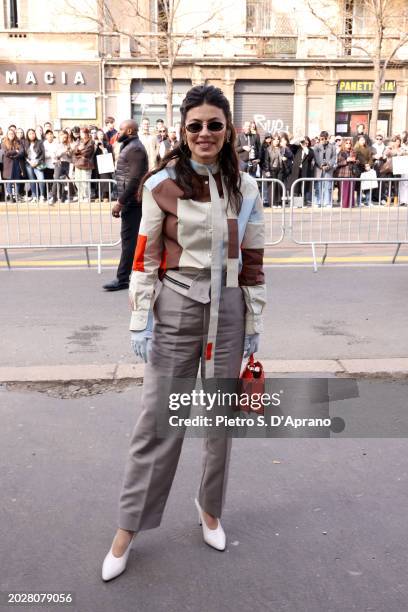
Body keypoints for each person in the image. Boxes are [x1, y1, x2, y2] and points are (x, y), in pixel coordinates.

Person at [101, 84, 266, 582]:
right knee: (158, 423)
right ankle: (128, 528)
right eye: (195, 125)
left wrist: (253, 319)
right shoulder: (161, 184)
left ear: (228, 129)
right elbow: (145, 254)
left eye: (214, 124)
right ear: (182, 130)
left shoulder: (247, 188)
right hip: (175, 307)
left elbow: (253, 259)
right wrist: (141, 316)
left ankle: (209, 508)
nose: (204, 134)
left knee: (219, 422)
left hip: (230, 310)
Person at [102, 119, 148, 291]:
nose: (117, 133)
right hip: (131, 200)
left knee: (129, 241)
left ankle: (122, 279)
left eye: (120, 130)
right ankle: (129, 276)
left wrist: (120, 202)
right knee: (132, 240)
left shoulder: (135, 148)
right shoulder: (129, 146)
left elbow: (135, 179)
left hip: (132, 202)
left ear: (129, 131)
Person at [287, 136, 315, 205]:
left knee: (304, 186)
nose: (305, 142)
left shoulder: (310, 150)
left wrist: (305, 147)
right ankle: (296, 203)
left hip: (305, 171)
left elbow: (310, 156)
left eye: (307, 141)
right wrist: (298, 139)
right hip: (296, 170)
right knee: (296, 186)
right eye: (304, 141)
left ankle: (304, 202)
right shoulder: (297, 149)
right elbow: (290, 145)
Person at [313, 130, 337, 207]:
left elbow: (333, 157)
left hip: (329, 169)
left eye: (325, 138)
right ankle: (318, 202)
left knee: (328, 186)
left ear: (328, 138)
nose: (323, 140)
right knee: (318, 186)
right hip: (318, 169)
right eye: (321, 139)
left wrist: (329, 165)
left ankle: (327, 202)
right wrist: (321, 165)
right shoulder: (316, 146)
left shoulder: (332, 147)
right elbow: (316, 157)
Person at [1, 128, 25, 202]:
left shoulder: (18, 142)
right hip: (8, 165)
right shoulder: (4, 143)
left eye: (12, 133)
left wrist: (14, 155)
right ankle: (11, 197)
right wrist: (15, 151)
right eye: (9, 134)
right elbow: (6, 153)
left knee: (17, 181)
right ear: (7, 135)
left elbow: (21, 152)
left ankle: (17, 195)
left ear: (14, 135)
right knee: (9, 181)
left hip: (17, 164)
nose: (11, 135)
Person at [72, 127, 95, 203]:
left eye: (83, 133)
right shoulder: (79, 141)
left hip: (86, 164)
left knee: (85, 181)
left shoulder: (91, 142)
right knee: (77, 181)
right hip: (78, 164)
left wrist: (78, 152)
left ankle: (86, 196)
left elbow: (86, 153)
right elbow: (74, 151)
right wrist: (78, 149)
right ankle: (80, 196)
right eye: (81, 133)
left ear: (86, 133)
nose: (81, 134)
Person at [51, 130, 73, 204]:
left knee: (67, 181)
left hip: (67, 163)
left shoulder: (68, 144)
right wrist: (64, 151)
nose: (64, 138)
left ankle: (64, 197)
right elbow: (54, 155)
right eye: (63, 136)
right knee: (56, 180)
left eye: (66, 137)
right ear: (59, 136)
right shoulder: (56, 144)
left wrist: (69, 152)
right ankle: (53, 197)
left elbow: (70, 156)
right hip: (59, 163)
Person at [24, 128, 46, 202]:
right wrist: (30, 162)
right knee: (32, 180)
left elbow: (43, 154)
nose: (32, 135)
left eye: (33, 133)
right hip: (29, 164)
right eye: (30, 133)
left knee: (41, 179)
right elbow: (24, 155)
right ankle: (34, 196)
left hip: (38, 163)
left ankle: (42, 195)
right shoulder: (25, 143)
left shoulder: (39, 142)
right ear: (27, 135)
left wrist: (37, 162)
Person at [336, 138, 356, 208]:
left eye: (349, 143)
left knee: (351, 189)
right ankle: (344, 204)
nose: (348, 144)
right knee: (344, 190)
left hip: (352, 173)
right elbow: (338, 163)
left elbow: (356, 161)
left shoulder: (353, 152)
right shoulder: (341, 152)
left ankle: (351, 204)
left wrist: (355, 161)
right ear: (344, 144)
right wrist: (346, 160)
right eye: (346, 143)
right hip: (343, 173)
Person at [354, 135, 373, 206]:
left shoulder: (368, 148)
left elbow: (370, 158)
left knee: (368, 186)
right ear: (358, 141)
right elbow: (359, 158)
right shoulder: (356, 149)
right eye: (361, 140)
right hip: (359, 168)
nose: (363, 141)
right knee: (359, 186)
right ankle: (359, 201)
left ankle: (368, 201)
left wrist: (369, 165)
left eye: (364, 140)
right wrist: (365, 164)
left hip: (367, 169)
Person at [43, 129, 58, 200]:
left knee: (55, 181)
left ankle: (55, 195)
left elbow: (57, 152)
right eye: (48, 134)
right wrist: (51, 154)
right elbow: (43, 154)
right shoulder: (44, 143)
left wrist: (53, 154)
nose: (50, 136)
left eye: (51, 134)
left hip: (55, 165)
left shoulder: (56, 143)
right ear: (46, 136)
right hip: (47, 165)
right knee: (48, 181)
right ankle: (48, 194)